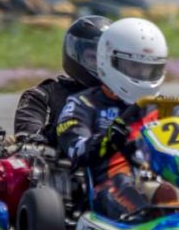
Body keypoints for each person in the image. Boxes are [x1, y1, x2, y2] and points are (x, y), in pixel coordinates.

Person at [55, 17, 170, 219]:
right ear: (109, 61)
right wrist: (110, 137)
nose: (142, 75)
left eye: (149, 69)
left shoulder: (168, 108)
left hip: (163, 175)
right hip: (109, 183)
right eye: (134, 67)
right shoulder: (83, 104)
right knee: (123, 185)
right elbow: (76, 150)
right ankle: (148, 214)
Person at [13, 15, 111, 144]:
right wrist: (69, 128)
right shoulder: (42, 96)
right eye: (93, 58)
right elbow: (30, 139)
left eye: (105, 59)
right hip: (64, 162)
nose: (100, 65)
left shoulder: (123, 97)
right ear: (74, 55)